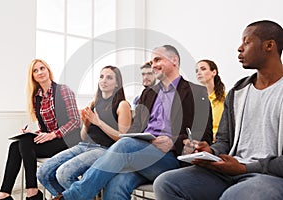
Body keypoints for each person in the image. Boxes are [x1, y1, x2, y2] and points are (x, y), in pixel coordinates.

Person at [52, 44, 213, 200]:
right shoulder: (148, 93)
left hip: (169, 158)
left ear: (174, 60)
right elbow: (135, 128)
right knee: (116, 184)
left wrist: (172, 142)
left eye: (158, 60)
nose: (154, 65)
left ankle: (73, 196)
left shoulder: (197, 93)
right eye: (152, 62)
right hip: (138, 155)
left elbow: (204, 136)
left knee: (126, 145)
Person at [153, 20, 283, 200]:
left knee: (234, 196)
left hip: (270, 176)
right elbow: (224, 140)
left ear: (269, 45)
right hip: (230, 170)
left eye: (246, 42)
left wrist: (245, 168)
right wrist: (211, 151)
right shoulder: (238, 91)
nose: (239, 48)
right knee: (166, 183)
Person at [37, 66, 132, 196]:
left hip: (104, 150)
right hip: (83, 146)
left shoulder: (122, 105)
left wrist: (99, 123)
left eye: (109, 78)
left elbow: (124, 139)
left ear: (117, 84)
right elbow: (83, 137)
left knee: (63, 174)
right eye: (101, 76)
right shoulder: (94, 103)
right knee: (43, 172)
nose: (104, 80)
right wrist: (86, 124)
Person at [0, 59, 81, 200]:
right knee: (15, 145)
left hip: (69, 139)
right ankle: (5, 194)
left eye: (42, 68)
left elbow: (75, 121)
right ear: (33, 77)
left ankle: (32, 192)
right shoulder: (36, 97)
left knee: (24, 143)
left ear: (48, 70)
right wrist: (33, 134)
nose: (40, 72)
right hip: (52, 140)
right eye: (35, 71)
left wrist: (54, 134)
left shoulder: (63, 90)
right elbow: (44, 129)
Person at [196, 59, 226, 142]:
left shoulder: (226, 98)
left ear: (214, 72)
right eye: (197, 71)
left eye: (203, 69)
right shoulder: (196, 100)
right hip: (201, 142)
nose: (199, 72)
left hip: (220, 143)